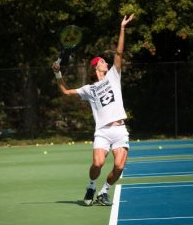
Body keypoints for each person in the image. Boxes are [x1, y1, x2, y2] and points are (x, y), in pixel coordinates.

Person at [52, 14, 134, 206]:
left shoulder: (114, 76)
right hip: (103, 131)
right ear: (96, 67)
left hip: (120, 130)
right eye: (102, 61)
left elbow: (119, 54)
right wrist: (57, 72)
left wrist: (122, 28)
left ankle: (104, 191)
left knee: (119, 166)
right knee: (97, 164)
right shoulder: (89, 89)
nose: (106, 62)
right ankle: (91, 186)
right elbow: (65, 90)